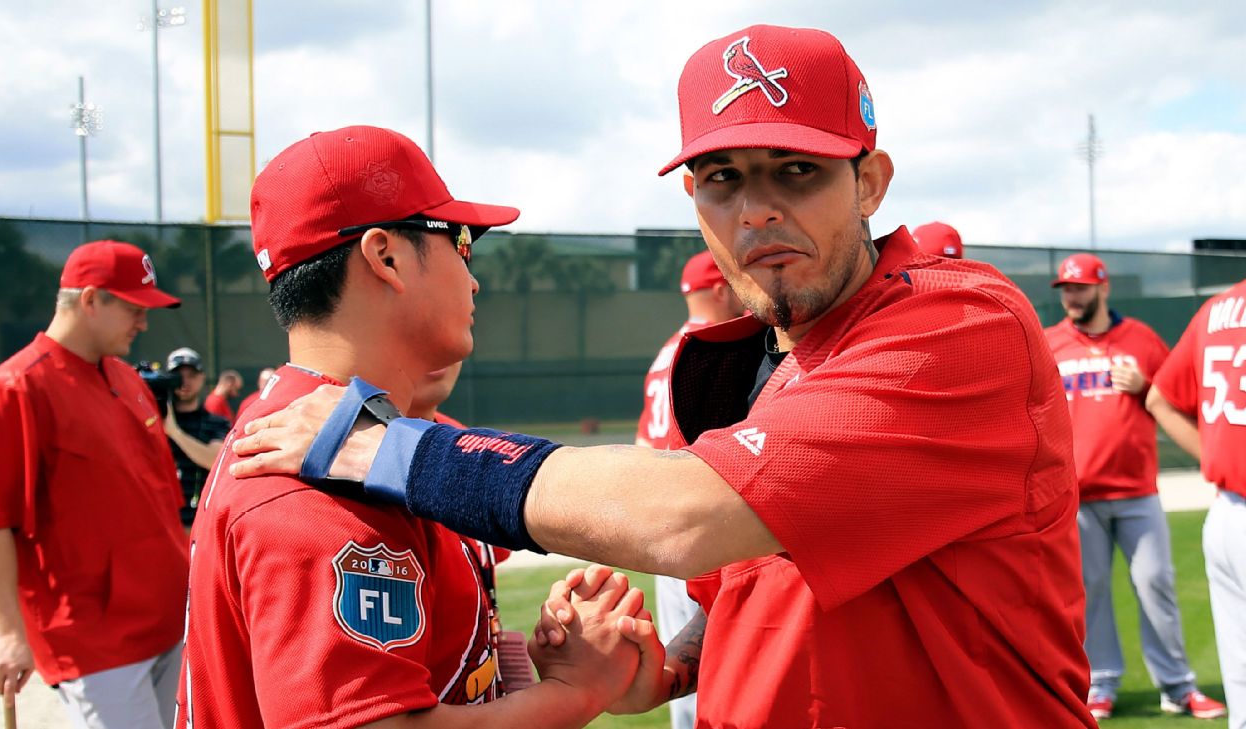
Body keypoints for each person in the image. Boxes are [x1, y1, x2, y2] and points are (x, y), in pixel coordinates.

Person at [231, 26, 1096, 728]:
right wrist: (662, 668)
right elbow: (749, 589)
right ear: (694, 202)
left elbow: (689, 520)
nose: (756, 209)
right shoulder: (760, 356)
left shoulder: (956, 323)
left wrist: (395, 454)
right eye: (723, 179)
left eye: (798, 170)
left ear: (869, 181)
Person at [176, 125, 647, 728]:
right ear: (387, 257)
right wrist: (579, 691)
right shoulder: (313, 479)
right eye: (462, 243)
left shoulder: (359, 432)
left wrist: (522, 669)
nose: (472, 278)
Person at [0, 240, 189, 729]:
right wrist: (5, 632)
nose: (144, 322)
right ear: (90, 300)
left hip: (169, 619)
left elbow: (164, 500)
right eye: (133, 308)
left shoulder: (128, 378)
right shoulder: (13, 390)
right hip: (93, 639)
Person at [1045, 252, 1226, 720]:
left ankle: (1178, 687)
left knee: (1156, 585)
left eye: (1079, 287)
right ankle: (1100, 684)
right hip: (1078, 498)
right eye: (1065, 288)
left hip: (1137, 491)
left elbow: (1173, 401)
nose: (1071, 296)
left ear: (1102, 288)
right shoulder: (1049, 344)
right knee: (1091, 593)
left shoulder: (1141, 339)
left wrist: (1143, 386)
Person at [634, 249, 743, 729]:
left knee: (682, 680)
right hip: (703, 527)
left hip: (664, 529)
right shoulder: (714, 350)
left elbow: (641, 443)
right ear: (721, 289)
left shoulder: (665, 352)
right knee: (724, 669)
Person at [1147, 278, 1246, 729]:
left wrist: (1220, 457)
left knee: (1241, 685)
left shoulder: (1219, 307)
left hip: (1226, 513)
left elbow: (1158, 399)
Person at [162, 347, 231, 529]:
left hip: (199, 524)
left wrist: (175, 432)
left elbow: (214, 460)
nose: (185, 382)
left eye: (191, 375)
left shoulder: (216, 422)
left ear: (201, 378)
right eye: (178, 375)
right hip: (162, 522)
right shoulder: (153, 420)